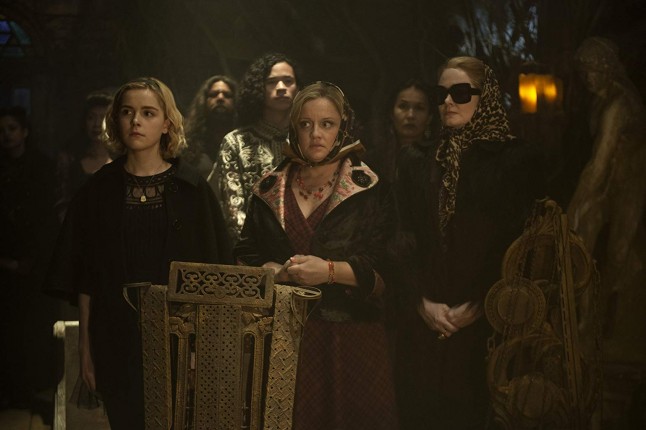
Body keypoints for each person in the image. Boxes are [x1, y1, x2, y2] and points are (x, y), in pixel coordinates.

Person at [45, 77, 231, 429]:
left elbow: (213, 277)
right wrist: (85, 348)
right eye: (127, 112)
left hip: (179, 338)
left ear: (167, 123)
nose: (136, 121)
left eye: (148, 113)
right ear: (115, 120)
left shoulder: (192, 190)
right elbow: (85, 278)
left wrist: (201, 350)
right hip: (114, 337)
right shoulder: (98, 190)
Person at [234, 82, 399, 429]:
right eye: (306, 124)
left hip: (350, 337)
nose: (316, 134)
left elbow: (387, 265)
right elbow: (244, 254)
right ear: (294, 128)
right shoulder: (269, 187)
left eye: (327, 124)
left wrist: (329, 271)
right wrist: (273, 272)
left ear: (343, 127)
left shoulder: (369, 188)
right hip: (281, 337)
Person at [394, 57, 543, 429]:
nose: (448, 102)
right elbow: (402, 235)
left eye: (460, 93)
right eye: (441, 93)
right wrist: (421, 301)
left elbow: (521, 243)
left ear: (485, 96)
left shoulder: (515, 160)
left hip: (488, 322)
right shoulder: (417, 160)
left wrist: (480, 303)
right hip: (426, 320)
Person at [568, 37, 646, 337]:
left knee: (619, 253)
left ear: (608, 69)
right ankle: (585, 319)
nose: (590, 76)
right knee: (582, 240)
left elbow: (599, 163)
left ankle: (616, 321)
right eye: (585, 70)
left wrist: (575, 204)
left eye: (596, 70)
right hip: (608, 182)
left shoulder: (618, 105)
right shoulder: (599, 100)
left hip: (630, 183)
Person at [0, 106, 59, 410]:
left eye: (12, 128)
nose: (6, 135)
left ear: (24, 131)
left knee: (32, 325)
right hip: (5, 257)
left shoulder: (42, 167)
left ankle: (32, 386)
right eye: (1, 130)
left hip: (34, 259)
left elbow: (45, 217)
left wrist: (31, 259)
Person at [208, 53, 300, 243]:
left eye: (288, 81)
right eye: (272, 82)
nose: (281, 87)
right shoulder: (236, 142)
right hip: (255, 251)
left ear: (298, 87)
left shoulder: (309, 141)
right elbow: (234, 213)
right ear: (258, 88)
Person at [55, 91, 113, 222]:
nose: (97, 124)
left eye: (103, 118)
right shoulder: (70, 159)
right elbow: (62, 204)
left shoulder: (122, 158)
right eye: (91, 117)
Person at [368, 78, 434, 182]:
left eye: (419, 108)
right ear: (391, 113)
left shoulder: (437, 161)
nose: (410, 115)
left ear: (429, 117)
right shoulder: (371, 161)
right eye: (403, 106)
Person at [182, 75, 238, 178]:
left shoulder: (245, 141)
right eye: (213, 94)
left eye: (227, 95)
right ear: (204, 101)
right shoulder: (187, 144)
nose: (220, 98)